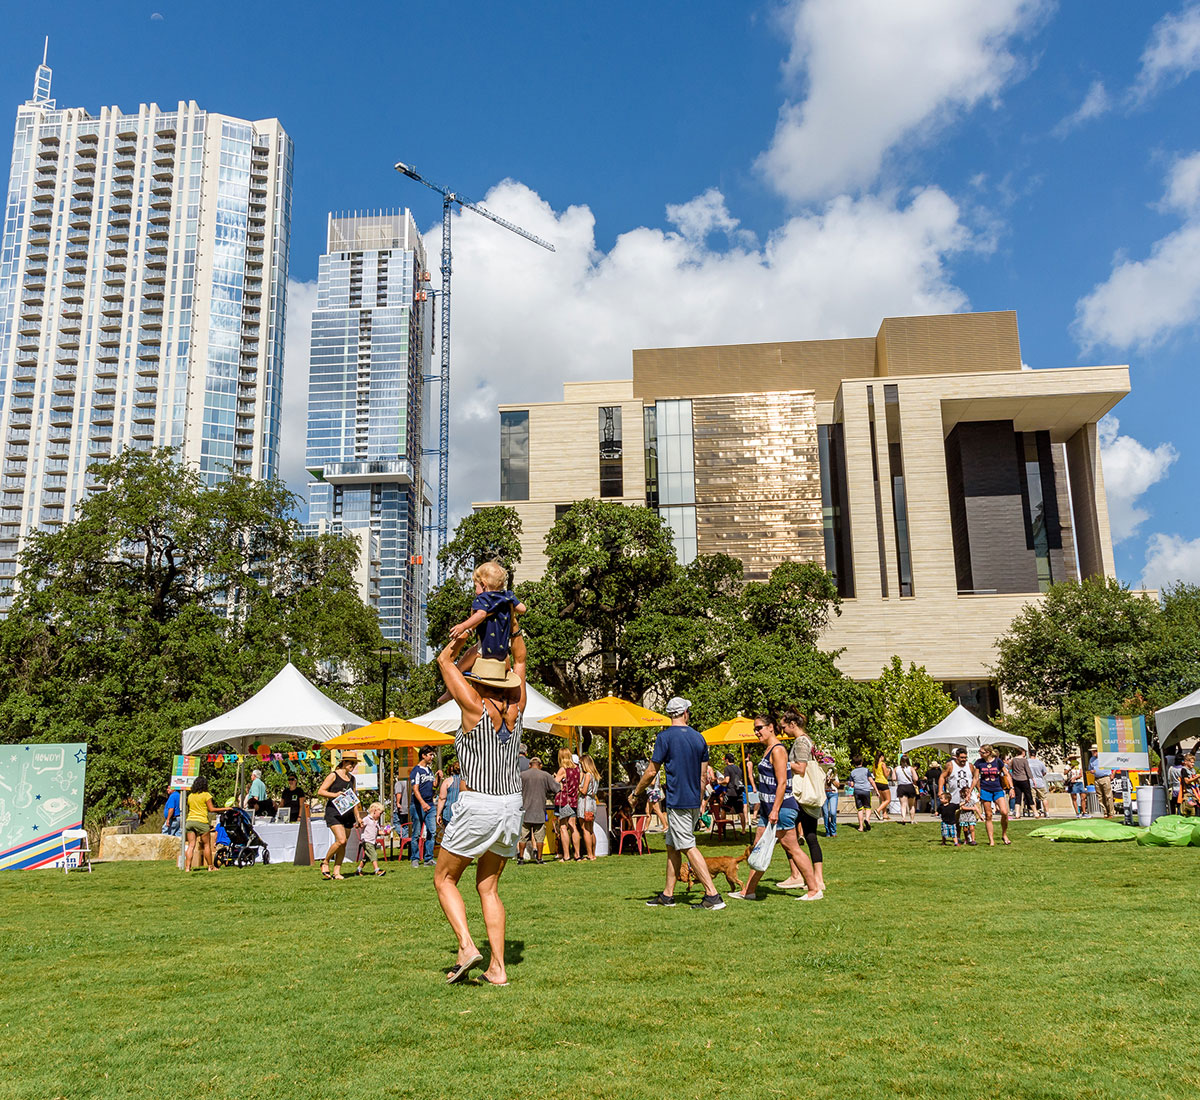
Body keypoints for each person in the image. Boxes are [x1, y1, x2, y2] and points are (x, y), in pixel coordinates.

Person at [434, 635, 528, 987]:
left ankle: (466, 946)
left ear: (477, 681)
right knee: (488, 889)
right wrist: (510, 623)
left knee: (444, 879)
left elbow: (444, 662)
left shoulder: (474, 706)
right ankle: (498, 968)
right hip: (511, 805)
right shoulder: (517, 707)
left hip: (480, 801)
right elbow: (520, 659)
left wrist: (464, 635)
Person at [629, 696, 725, 910]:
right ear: (684, 713)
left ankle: (712, 895)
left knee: (688, 846)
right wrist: (700, 802)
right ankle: (667, 895)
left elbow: (652, 771)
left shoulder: (664, 737)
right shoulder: (699, 738)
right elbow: (703, 777)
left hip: (677, 800)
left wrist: (636, 792)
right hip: (692, 799)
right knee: (672, 845)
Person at [728, 714, 821, 902]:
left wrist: (775, 810)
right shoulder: (768, 749)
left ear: (771, 727)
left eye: (759, 728)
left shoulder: (778, 750)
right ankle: (749, 891)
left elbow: (782, 783)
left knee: (792, 847)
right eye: (755, 729)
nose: (756, 732)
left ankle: (814, 889)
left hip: (782, 807)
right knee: (759, 847)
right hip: (768, 807)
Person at [448, 560, 528, 662]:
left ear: (484, 585)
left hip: (484, 649)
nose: (475, 591)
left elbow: (481, 615)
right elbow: (523, 609)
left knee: (459, 668)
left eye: (476, 586)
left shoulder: (483, 598)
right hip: (503, 653)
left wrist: (463, 626)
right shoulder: (508, 596)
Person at [781, 710, 825, 893]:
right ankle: (817, 878)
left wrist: (782, 761)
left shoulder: (800, 742)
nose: (783, 731)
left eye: (784, 727)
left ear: (793, 724)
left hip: (800, 796)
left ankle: (797, 876)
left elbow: (801, 767)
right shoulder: (808, 740)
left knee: (786, 836)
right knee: (810, 836)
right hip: (806, 796)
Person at [317, 751, 364, 880]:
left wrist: (358, 817)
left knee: (344, 844)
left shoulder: (352, 779)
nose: (352, 766)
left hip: (347, 814)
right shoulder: (333, 775)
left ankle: (337, 871)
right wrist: (335, 795)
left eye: (354, 763)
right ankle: (325, 862)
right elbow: (321, 791)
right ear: (343, 762)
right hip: (334, 813)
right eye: (350, 763)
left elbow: (354, 799)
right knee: (341, 840)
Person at [519, 756, 559, 863]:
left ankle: (521, 858)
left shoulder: (522, 775)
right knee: (540, 837)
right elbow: (557, 788)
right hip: (539, 811)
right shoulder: (545, 775)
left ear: (529, 765)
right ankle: (540, 858)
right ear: (540, 765)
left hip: (525, 811)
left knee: (522, 837)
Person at [973, 743, 1012, 846]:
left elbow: (1006, 774)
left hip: (997, 789)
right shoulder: (979, 763)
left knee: (1004, 812)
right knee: (989, 815)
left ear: (988, 752)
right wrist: (971, 790)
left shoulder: (998, 761)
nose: (980, 754)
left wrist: (1011, 788)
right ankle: (991, 840)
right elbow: (976, 778)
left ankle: (1004, 834)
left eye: (982, 752)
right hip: (985, 789)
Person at [184, 777, 223, 872]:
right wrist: (225, 808)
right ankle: (210, 866)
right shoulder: (206, 795)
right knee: (206, 845)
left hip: (189, 821)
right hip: (201, 822)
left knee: (191, 845)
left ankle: (187, 868)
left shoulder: (190, 796)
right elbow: (211, 809)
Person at [409, 746, 439, 867]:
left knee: (432, 831)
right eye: (430, 755)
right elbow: (415, 789)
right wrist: (422, 803)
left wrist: (438, 777)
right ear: (423, 755)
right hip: (418, 805)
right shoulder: (416, 770)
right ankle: (415, 858)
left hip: (430, 804)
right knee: (416, 833)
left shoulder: (429, 770)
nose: (432, 757)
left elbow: (434, 785)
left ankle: (428, 859)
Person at [553, 747, 582, 861]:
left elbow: (555, 785)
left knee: (563, 827)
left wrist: (555, 777)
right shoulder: (577, 769)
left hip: (563, 801)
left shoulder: (563, 769)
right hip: (573, 800)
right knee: (573, 826)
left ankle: (566, 855)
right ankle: (577, 854)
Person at [939, 747, 973, 842]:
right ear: (957, 757)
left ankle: (969, 836)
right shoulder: (950, 765)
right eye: (962, 757)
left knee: (969, 818)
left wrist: (978, 790)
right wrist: (940, 790)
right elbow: (942, 777)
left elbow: (975, 778)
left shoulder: (970, 766)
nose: (964, 760)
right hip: (954, 795)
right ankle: (957, 837)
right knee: (956, 819)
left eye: (965, 757)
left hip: (968, 796)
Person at [578, 754, 602, 860]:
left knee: (585, 829)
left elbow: (584, 791)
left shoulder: (588, 775)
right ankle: (593, 853)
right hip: (592, 802)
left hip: (585, 802)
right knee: (591, 829)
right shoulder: (595, 775)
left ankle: (589, 854)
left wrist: (578, 787)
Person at [355, 802, 388, 877]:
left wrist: (386, 833)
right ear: (375, 811)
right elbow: (360, 825)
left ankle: (358, 870)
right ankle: (377, 870)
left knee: (366, 857)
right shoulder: (367, 819)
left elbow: (378, 831)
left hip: (373, 841)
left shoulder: (376, 821)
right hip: (366, 840)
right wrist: (359, 825)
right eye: (380, 813)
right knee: (374, 854)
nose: (380, 815)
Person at [720, 753, 750, 832]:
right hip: (738, 792)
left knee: (723, 809)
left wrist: (720, 782)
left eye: (725, 760)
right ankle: (743, 830)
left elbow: (727, 780)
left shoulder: (727, 768)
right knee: (741, 812)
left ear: (727, 760)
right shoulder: (738, 769)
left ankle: (722, 829)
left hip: (730, 792)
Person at [436, 761, 463, 837]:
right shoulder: (467, 781)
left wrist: (438, 814)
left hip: (449, 814)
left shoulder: (447, 781)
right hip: (463, 813)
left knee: (449, 837)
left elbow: (442, 798)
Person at [848, 755, 873, 831]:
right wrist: (876, 790)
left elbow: (852, 784)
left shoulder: (852, 772)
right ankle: (867, 819)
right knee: (868, 807)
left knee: (860, 809)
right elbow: (871, 780)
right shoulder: (866, 770)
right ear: (861, 762)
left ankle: (861, 827)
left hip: (857, 791)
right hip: (866, 790)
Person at [1089, 745, 1115, 819]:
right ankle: (1105, 812)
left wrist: (1112, 774)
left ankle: (1111, 813)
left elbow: (1114, 767)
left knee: (1108, 796)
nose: (1092, 752)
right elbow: (1090, 768)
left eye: (1094, 751)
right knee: (1100, 797)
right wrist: (1092, 771)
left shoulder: (1105, 758)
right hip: (1097, 779)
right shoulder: (1092, 759)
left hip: (1105, 777)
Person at [1009, 748, 1034, 819]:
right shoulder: (1024, 760)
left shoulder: (1013, 760)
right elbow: (1027, 770)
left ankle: (1017, 813)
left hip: (1016, 780)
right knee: (1028, 795)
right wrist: (1032, 778)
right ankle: (1035, 812)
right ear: (1022, 753)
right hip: (1024, 779)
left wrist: (1012, 775)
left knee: (1018, 797)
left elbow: (1009, 768)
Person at [894, 753, 919, 824]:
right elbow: (916, 778)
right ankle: (912, 820)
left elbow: (893, 778)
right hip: (909, 786)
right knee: (911, 805)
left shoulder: (896, 769)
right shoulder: (911, 768)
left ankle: (903, 818)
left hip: (901, 787)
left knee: (903, 805)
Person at [821, 753, 840, 838]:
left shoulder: (834, 772)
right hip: (824, 793)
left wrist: (832, 780)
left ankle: (833, 830)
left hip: (833, 793)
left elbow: (838, 785)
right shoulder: (820, 772)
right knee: (825, 813)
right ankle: (827, 831)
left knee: (832, 812)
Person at [872, 752, 893, 822]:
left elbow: (874, 774)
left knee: (883, 800)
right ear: (881, 757)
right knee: (888, 799)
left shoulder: (875, 765)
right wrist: (889, 771)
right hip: (883, 782)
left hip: (877, 782)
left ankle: (885, 814)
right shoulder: (883, 764)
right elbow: (886, 775)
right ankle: (877, 810)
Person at [1028, 751, 1048, 818]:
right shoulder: (1040, 763)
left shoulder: (1027, 762)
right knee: (1044, 798)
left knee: (1033, 797)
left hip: (1031, 781)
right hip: (1040, 781)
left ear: (1030, 754)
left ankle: (1035, 812)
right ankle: (1047, 812)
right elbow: (1044, 772)